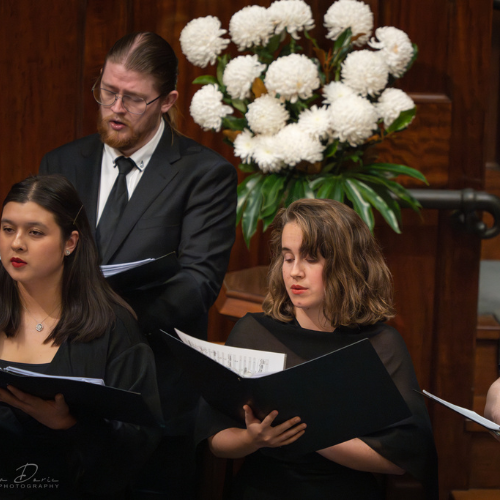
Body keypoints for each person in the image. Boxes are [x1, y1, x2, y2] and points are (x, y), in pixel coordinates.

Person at [39, 32, 237, 497]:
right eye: (108, 91)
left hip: (153, 391)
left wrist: (112, 322)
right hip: (66, 386)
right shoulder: (63, 162)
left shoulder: (204, 174)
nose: (116, 108)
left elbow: (199, 281)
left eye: (133, 98)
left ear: (168, 100)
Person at [198, 199, 439, 500]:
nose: (295, 272)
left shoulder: (380, 344)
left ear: (347, 264)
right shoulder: (253, 331)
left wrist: (305, 433)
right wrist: (253, 439)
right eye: (288, 258)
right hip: (262, 488)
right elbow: (215, 439)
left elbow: (400, 458)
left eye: (311, 258)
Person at [0, 174, 162, 499]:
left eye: (35, 232)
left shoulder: (113, 325)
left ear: (70, 242)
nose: (16, 243)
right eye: (7, 229)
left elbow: (141, 439)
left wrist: (69, 425)